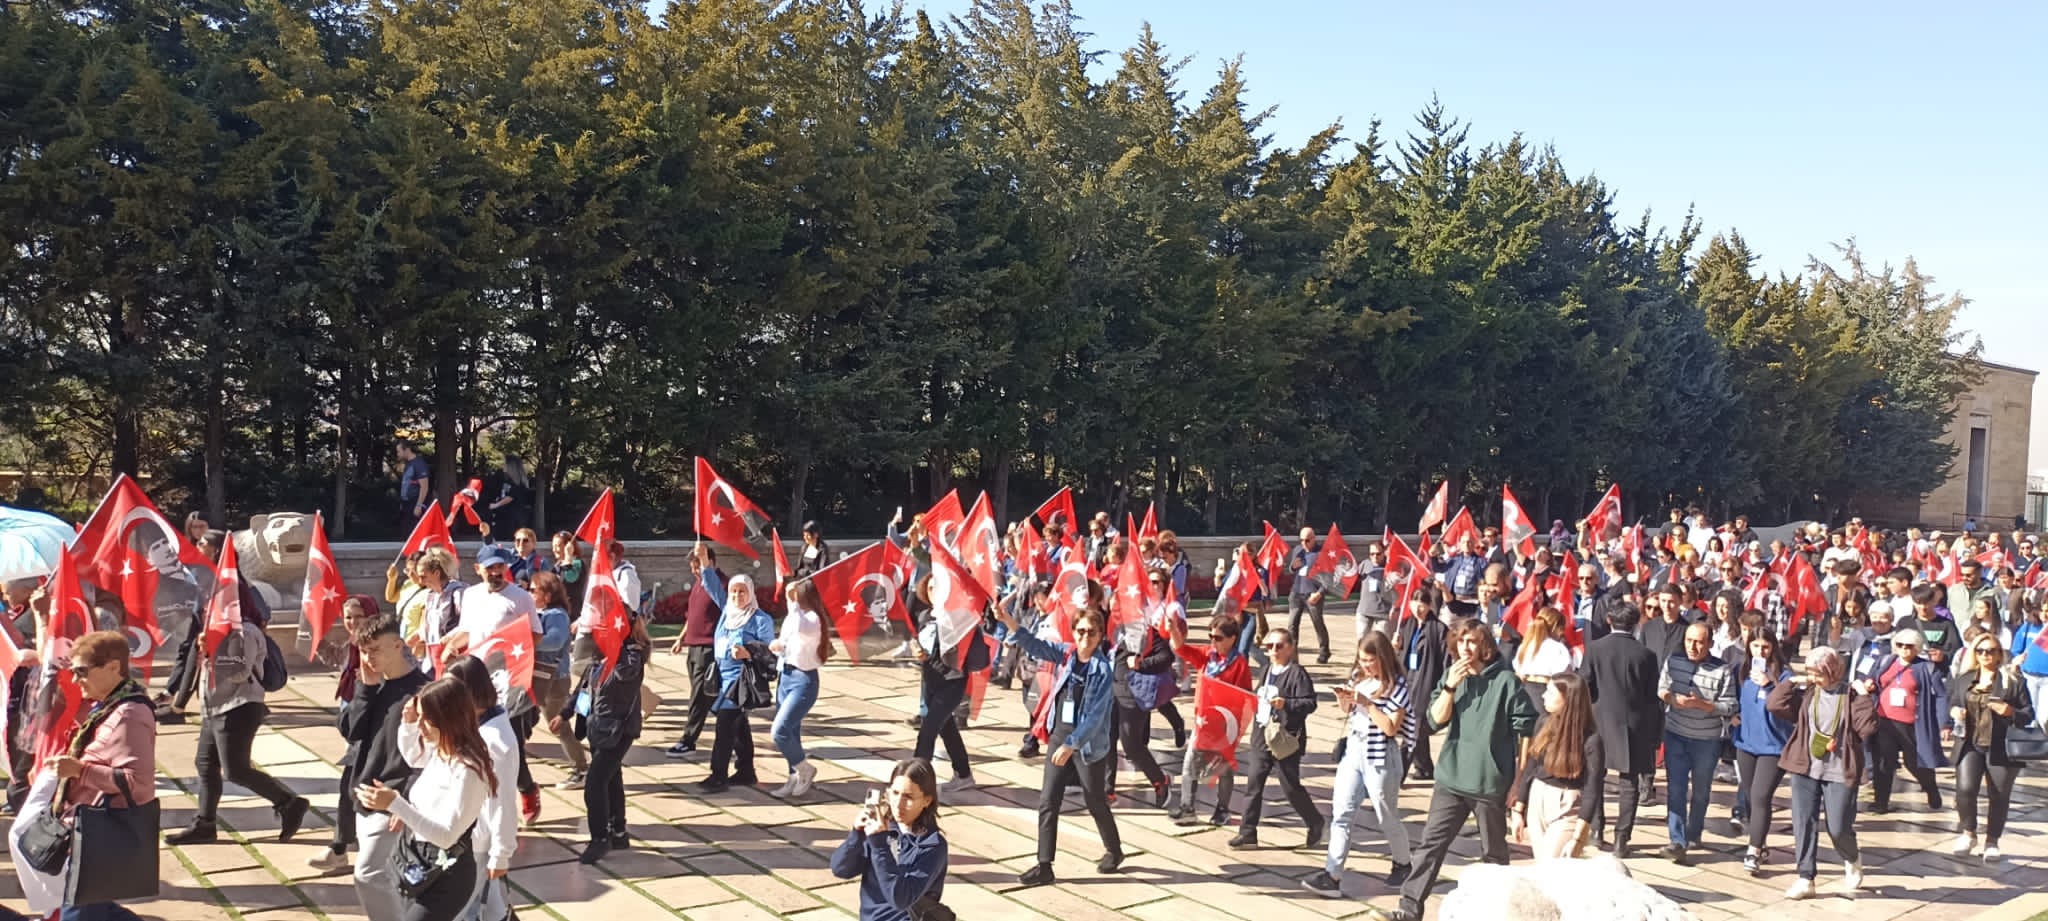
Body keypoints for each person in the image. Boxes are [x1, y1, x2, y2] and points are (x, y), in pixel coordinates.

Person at [1385, 619, 1538, 921]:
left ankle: (1498, 911)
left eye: (1473, 641)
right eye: (1462, 641)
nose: (1466, 647)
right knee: (1431, 845)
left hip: (1489, 784)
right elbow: (1433, 721)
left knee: (1494, 856)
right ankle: (1409, 908)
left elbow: (1526, 734)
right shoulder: (1454, 676)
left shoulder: (1506, 682)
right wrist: (1451, 686)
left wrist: (1518, 783)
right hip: (1451, 779)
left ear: (1486, 645)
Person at [8, 631, 156, 919]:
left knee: (80, 910)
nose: (76, 680)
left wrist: (80, 771)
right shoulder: (108, 707)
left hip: (102, 833)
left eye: (81, 671)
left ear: (113, 667)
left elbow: (139, 784)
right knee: (94, 909)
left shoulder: (129, 715)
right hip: (86, 827)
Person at [164, 579, 310, 845]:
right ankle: (205, 823)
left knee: (236, 771)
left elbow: (239, 672)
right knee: (206, 764)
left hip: (239, 708)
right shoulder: (216, 627)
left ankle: (288, 802)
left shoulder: (243, 630)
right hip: (214, 706)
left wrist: (212, 649)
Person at [993, 604, 1121, 888]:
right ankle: (1044, 865)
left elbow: (1096, 717)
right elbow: (1035, 645)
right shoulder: (1066, 654)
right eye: (1081, 630)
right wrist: (1008, 621)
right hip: (1059, 737)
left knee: (1094, 800)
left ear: (1101, 635)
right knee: (1048, 800)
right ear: (1074, 632)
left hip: (1086, 745)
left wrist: (1072, 745)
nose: (1085, 637)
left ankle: (1114, 849)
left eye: (1091, 632)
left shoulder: (1102, 670)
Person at [361, 677, 495, 921]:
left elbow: (446, 836)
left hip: (447, 877)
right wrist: (408, 722)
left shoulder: (468, 771)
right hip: (419, 866)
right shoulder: (441, 752)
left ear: (448, 718)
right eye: (420, 717)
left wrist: (395, 804)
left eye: (427, 719)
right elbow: (413, 757)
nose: (421, 726)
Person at [1302, 631, 1413, 897]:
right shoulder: (1360, 679)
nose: (1365, 665)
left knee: (1386, 815)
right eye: (1362, 659)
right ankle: (1332, 874)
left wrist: (1369, 704)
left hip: (1380, 756)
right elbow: (1350, 712)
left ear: (1383, 658)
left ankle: (1403, 863)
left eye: (1370, 660)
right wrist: (1346, 700)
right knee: (1342, 812)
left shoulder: (1397, 686)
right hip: (1354, 750)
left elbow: (1390, 728)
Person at [336, 615, 430, 921]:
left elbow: (432, 755)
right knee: (393, 880)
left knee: (368, 875)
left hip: (391, 804)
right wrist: (365, 688)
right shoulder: (372, 686)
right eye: (364, 651)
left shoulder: (423, 692)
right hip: (362, 799)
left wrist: (406, 804)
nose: (368, 657)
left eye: (375, 649)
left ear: (398, 645)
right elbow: (352, 732)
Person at [1770, 646, 1877, 899]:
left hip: (1839, 769)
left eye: (1819, 673)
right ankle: (1806, 877)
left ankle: (1851, 857)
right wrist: (1791, 682)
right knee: (1803, 822)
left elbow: (1868, 728)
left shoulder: (1849, 695)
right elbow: (1775, 705)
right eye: (1811, 673)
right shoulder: (1808, 693)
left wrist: (1863, 698)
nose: (1815, 678)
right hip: (1806, 766)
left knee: (1838, 827)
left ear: (1833, 670)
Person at [552, 612, 650, 864]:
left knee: (595, 783)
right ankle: (619, 832)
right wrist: (564, 714)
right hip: (598, 727)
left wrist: (615, 646)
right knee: (611, 779)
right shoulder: (600, 654)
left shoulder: (632, 654)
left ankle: (599, 839)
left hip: (619, 729)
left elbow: (624, 676)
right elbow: (583, 688)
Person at [309, 597, 385, 875]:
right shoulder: (352, 647)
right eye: (348, 617)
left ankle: (341, 848)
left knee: (352, 788)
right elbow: (334, 657)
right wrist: (315, 636)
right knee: (352, 788)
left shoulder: (381, 649)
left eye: (359, 616)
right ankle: (343, 847)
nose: (353, 622)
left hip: (375, 733)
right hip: (355, 728)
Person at [1229, 627, 1323, 850]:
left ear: (1290, 647)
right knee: (1254, 784)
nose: (1273, 651)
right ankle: (1247, 831)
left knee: (1290, 786)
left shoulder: (1297, 673)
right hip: (1262, 734)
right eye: (1269, 646)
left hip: (1285, 739)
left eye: (1279, 646)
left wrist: (1286, 704)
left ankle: (1315, 821)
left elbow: (1310, 703)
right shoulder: (1266, 670)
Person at [441, 656, 519, 917]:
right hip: (458, 833)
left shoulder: (496, 742)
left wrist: (501, 853)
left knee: (462, 910)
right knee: (489, 907)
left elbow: (503, 801)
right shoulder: (468, 724)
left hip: (476, 841)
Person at [830, 757, 949, 921]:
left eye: (908, 797)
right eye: (895, 793)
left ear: (926, 801)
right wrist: (856, 835)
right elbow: (841, 869)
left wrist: (879, 846)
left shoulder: (932, 846)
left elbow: (900, 899)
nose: (899, 803)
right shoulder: (883, 829)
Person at [1657, 621, 1738, 863]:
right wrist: (1672, 698)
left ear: (1710, 644)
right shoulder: (1674, 660)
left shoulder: (1722, 670)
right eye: (1689, 640)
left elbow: (1731, 705)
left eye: (1699, 642)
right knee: (1676, 789)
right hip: (1676, 735)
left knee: (1701, 791)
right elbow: (1661, 688)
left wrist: (1702, 704)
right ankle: (1677, 840)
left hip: (1706, 739)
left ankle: (1694, 832)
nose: (1693, 646)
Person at [1948, 636, 2029, 862]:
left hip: (2000, 746)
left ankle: (1992, 840)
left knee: (1999, 795)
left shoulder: (2012, 681)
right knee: (1964, 789)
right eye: (1981, 650)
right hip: (1970, 743)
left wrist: (2010, 711)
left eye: (1991, 651)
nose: (1986, 655)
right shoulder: (1965, 679)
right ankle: (1968, 833)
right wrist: (1955, 711)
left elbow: (2028, 713)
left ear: (1999, 654)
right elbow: (1953, 701)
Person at [1168, 612, 1252, 826]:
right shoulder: (1208, 655)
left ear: (1233, 638)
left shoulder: (1239, 664)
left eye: (1218, 638)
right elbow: (1181, 649)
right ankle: (1187, 807)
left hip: (1224, 724)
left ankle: (1222, 809)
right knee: (1189, 763)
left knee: (1222, 768)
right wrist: (1174, 631)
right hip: (1202, 721)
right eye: (1211, 637)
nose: (1213, 642)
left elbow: (1244, 697)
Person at [1510, 671, 1602, 861]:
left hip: (1566, 803)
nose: (1543, 696)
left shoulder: (1591, 740)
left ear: (1567, 699)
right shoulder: (1544, 722)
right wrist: (1518, 810)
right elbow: (1531, 766)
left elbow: (1593, 788)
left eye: (1550, 693)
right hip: (1538, 797)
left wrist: (1579, 836)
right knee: (1542, 862)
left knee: (1551, 864)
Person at [1860, 627, 1947, 814]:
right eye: (1900, 645)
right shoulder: (1885, 661)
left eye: (1910, 646)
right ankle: (1881, 802)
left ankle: (1931, 788)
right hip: (1884, 720)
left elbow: (1941, 695)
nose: (1905, 649)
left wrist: (1943, 723)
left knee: (1914, 762)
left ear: (1917, 648)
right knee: (1883, 762)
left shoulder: (1927, 668)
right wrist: (1870, 684)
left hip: (1912, 724)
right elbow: (1874, 679)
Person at [910, 578, 984, 794]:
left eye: (939, 586)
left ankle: (915, 780)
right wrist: (917, 651)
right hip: (930, 679)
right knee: (947, 728)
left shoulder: (957, 618)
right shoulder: (924, 616)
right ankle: (963, 774)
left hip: (952, 680)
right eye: (931, 587)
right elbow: (919, 642)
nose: (934, 591)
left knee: (928, 729)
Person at [701, 574, 773, 792]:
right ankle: (746, 771)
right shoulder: (727, 614)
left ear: (750, 592)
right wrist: (704, 563)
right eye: (734, 591)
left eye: (742, 591)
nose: (737, 595)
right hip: (723, 678)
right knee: (739, 725)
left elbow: (769, 651)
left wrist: (748, 652)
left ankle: (718, 775)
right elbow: (713, 588)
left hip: (741, 681)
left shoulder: (760, 619)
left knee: (725, 724)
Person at [1732, 630, 1794, 875]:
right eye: (1756, 646)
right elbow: (1734, 699)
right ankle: (1762, 841)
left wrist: (1771, 685)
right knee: (1749, 796)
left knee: (1760, 795)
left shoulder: (1784, 676)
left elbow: (1789, 706)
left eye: (1765, 646)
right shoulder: (1741, 672)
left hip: (1773, 746)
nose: (1760, 651)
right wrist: (1733, 715)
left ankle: (1754, 849)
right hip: (1747, 743)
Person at [771, 578, 831, 798]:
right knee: (791, 732)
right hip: (785, 675)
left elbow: (800, 626)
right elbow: (789, 638)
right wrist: (778, 646)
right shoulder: (794, 616)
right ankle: (793, 775)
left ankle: (805, 768)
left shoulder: (813, 619)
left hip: (803, 681)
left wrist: (791, 598)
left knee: (779, 730)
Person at [667, 545, 727, 757]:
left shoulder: (719, 584)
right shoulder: (698, 584)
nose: (695, 571)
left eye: (698, 566)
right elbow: (692, 616)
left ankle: (688, 740)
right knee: (709, 696)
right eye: (692, 568)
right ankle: (734, 732)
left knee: (699, 697)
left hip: (708, 647)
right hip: (693, 645)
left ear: (709, 561)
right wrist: (681, 638)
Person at [524, 573, 583, 790]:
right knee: (524, 719)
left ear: (547, 596)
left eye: (533, 590)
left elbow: (555, 642)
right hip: (538, 677)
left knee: (559, 725)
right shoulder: (537, 612)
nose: (529, 593)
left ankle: (581, 768)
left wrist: (526, 640)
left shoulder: (556, 615)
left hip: (553, 680)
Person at [1393, 584, 1450, 781]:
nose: (1418, 608)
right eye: (1414, 603)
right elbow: (1401, 657)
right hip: (1408, 679)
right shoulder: (1407, 625)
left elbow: (1445, 661)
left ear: (1429, 606)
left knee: (1413, 727)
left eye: (1422, 604)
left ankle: (1398, 773)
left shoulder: (1438, 629)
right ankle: (1424, 767)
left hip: (1426, 682)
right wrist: (1397, 648)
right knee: (1417, 726)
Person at [1287, 527, 1331, 663]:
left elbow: (1329, 577)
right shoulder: (1297, 551)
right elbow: (1290, 569)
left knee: (1317, 622)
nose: (1304, 543)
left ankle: (1324, 651)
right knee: (1292, 625)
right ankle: (1292, 656)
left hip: (1312, 592)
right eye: (1301, 540)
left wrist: (1320, 593)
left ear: (1314, 538)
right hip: (1296, 591)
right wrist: (1293, 567)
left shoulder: (1321, 553)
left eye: (1307, 540)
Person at [397, 440, 432, 519]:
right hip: (406, 504)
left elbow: (424, 487)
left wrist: (419, 505)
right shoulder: (408, 464)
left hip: (414, 503)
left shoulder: (419, 464)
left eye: (399, 451)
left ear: (406, 450)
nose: (398, 454)